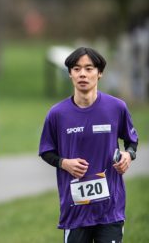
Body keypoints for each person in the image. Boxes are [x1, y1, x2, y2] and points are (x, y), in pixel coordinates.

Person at [38, 47, 139, 243]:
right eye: (76, 69)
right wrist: (64, 163)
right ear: (70, 74)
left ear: (99, 73)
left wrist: (129, 155)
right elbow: (46, 151)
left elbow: (131, 141)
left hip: (110, 209)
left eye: (89, 68)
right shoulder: (57, 114)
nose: (82, 74)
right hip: (75, 210)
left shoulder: (117, 107)